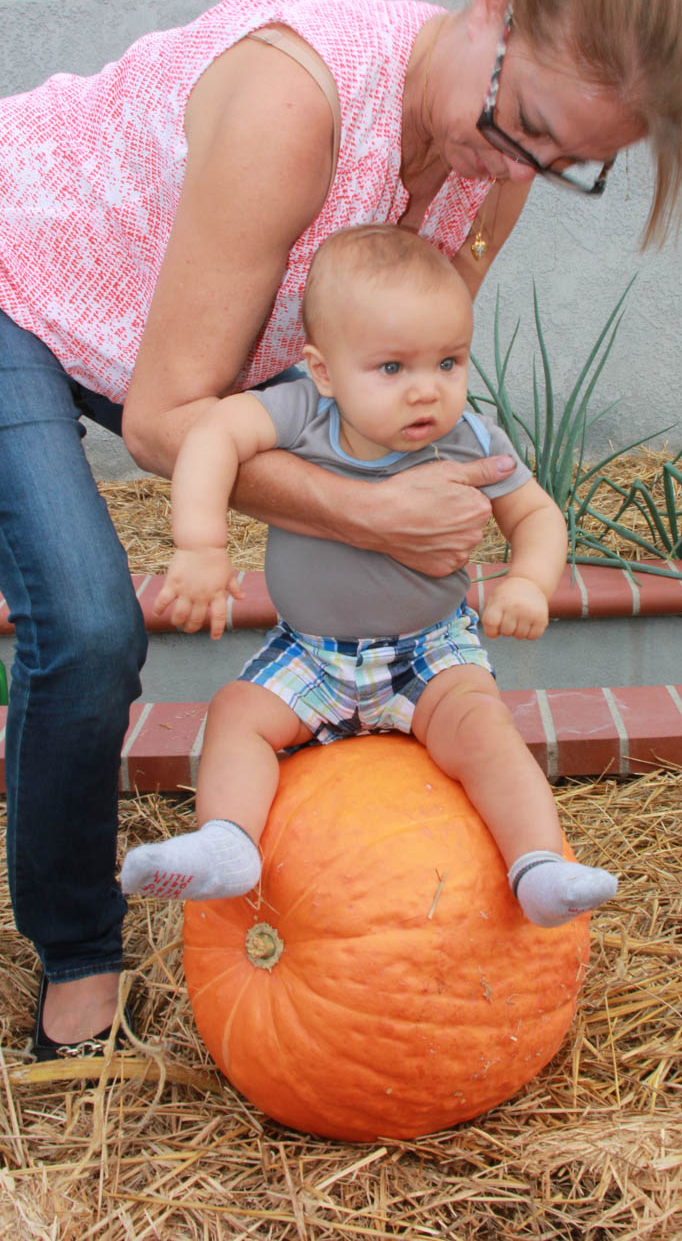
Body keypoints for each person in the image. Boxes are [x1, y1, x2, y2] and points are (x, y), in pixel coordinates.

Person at [0, 0, 682, 1056]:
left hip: (165, 346)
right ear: (494, 5)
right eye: (526, 123)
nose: (525, 170)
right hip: (22, 286)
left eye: (570, 163)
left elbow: (403, 409)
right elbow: (163, 421)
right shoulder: (298, 105)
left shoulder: (496, 157)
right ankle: (81, 945)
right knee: (88, 627)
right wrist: (374, 518)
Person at [120, 226, 619, 925]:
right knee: (237, 715)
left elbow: (536, 514)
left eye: (449, 363)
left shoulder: (472, 438)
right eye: (393, 369)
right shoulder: (299, 414)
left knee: (486, 733)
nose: (427, 392)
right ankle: (228, 841)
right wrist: (201, 545)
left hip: (429, 650)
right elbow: (210, 436)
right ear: (323, 371)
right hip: (312, 654)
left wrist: (530, 581)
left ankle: (537, 865)